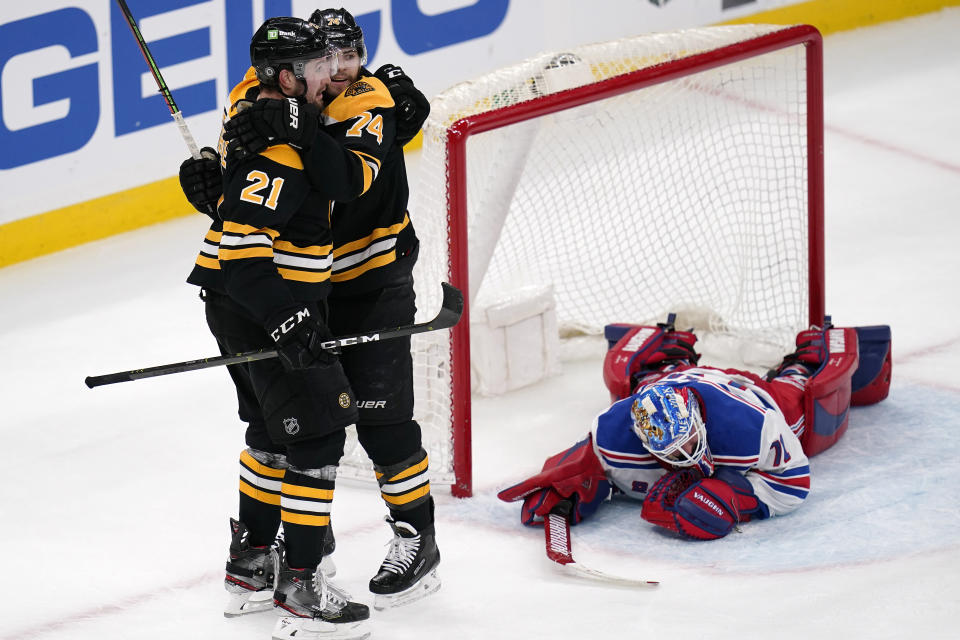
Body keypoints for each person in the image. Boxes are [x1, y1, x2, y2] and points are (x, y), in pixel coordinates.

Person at [179, 7, 440, 612]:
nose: (342, 70)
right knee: (293, 428)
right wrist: (211, 192)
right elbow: (252, 200)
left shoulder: (369, 97)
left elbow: (352, 181)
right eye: (330, 58)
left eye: (350, 56)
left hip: (371, 280)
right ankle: (296, 549)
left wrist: (298, 125)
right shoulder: (253, 97)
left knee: (380, 418)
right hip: (299, 287)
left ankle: (415, 538)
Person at [184, 16, 370, 640]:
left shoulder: (273, 119)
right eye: (318, 68)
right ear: (288, 78)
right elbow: (241, 251)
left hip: (243, 301)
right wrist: (286, 317)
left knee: (270, 433)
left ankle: (250, 566)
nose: (332, 77)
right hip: (260, 300)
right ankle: (300, 585)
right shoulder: (280, 144)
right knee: (317, 440)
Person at [498, 317, 823, 540]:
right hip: (671, 386)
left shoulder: (754, 424)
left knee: (793, 405)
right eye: (671, 452)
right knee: (652, 382)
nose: (686, 456)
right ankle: (669, 357)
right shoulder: (612, 432)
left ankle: (803, 363)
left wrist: (739, 499)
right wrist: (572, 485)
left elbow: (793, 482)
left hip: (744, 390)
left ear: (698, 420)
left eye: (689, 441)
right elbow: (582, 462)